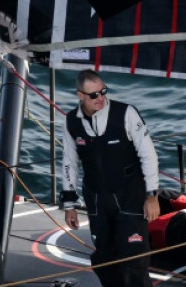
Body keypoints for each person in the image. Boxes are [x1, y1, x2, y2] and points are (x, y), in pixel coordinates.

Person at [61, 70, 160, 287]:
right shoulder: (71, 122)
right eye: (93, 95)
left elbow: (148, 154)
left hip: (130, 195)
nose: (100, 98)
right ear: (80, 96)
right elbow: (69, 163)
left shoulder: (126, 113)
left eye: (103, 91)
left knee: (134, 257)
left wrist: (152, 195)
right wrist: (69, 205)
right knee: (103, 259)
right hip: (97, 199)